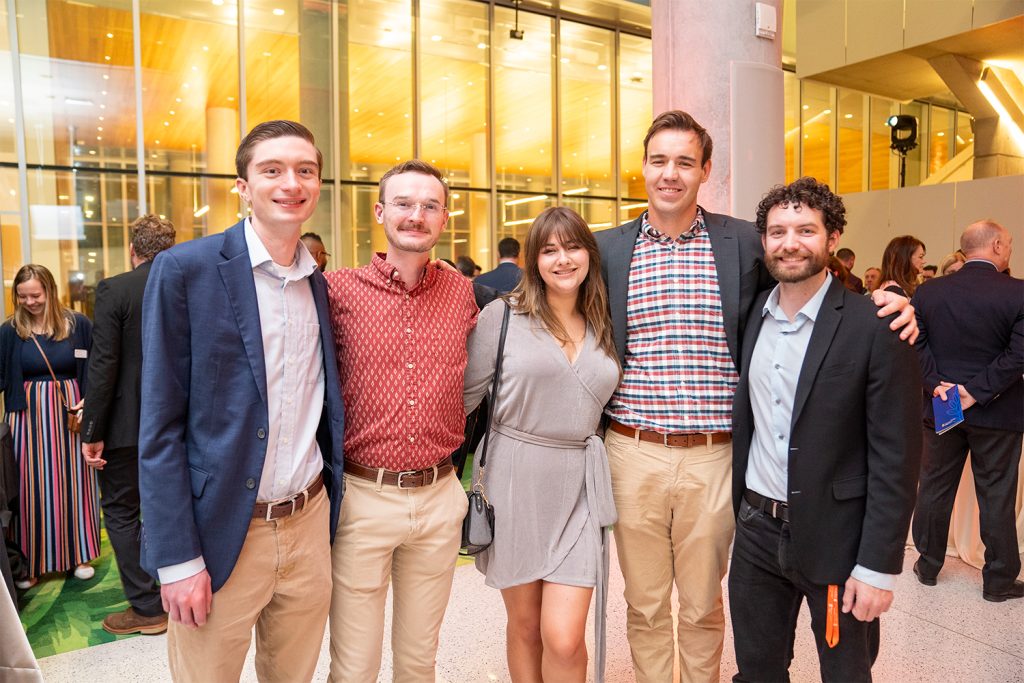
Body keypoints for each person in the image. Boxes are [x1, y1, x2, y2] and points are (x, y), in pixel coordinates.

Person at [594, 111, 917, 683]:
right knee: (643, 606)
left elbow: (809, 289)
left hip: (718, 456)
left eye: (685, 162)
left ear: (705, 171)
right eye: (659, 160)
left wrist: (894, 307)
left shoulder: (744, 241)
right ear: (642, 167)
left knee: (702, 606)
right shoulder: (607, 249)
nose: (670, 174)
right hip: (632, 450)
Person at [138, 120, 346, 681]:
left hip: (308, 524)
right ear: (243, 186)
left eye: (305, 170)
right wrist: (177, 559)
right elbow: (158, 426)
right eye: (272, 170)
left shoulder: (318, 284)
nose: (291, 182)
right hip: (220, 530)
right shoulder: (185, 270)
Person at [729, 177, 922, 682]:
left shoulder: (877, 325)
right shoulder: (752, 316)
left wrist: (878, 566)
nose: (789, 243)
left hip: (839, 538)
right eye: (777, 232)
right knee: (757, 669)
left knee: (845, 671)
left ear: (832, 237)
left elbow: (896, 458)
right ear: (764, 242)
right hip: (755, 531)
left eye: (805, 230)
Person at [326, 160, 477, 682]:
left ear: (444, 216)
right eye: (404, 204)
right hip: (364, 498)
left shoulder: (462, 294)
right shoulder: (338, 291)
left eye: (430, 205)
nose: (417, 215)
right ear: (380, 212)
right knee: (354, 665)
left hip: (438, 497)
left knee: (419, 660)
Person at [464, 207, 619, 682]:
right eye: (549, 250)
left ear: (589, 255)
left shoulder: (605, 320)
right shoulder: (503, 317)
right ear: (533, 260)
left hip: (581, 485)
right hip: (516, 479)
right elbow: (464, 401)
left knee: (565, 636)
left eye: (572, 247)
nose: (562, 259)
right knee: (527, 626)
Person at [910, 219, 1023, 602]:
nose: (1010, 249)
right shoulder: (1018, 293)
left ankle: (927, 565)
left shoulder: (928, 293)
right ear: (994, 246)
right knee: (996, 494)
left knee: (935, 486)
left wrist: (937, 384)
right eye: (1007, 243)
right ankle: (999, 580)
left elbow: (914, 345)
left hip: (943, 406)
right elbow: (1018, 356)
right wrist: (975, 392)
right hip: (998, 412)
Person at [81, 215, 175, 636]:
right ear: (171, 247)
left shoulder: (115, 288)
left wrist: (91, 431)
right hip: (180, 422)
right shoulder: (188, 283)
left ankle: (146, 606)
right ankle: (180, 592)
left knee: (121, 510)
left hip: (127, 427)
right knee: (172, 507)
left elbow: (104, 364)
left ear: (133, 250)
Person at [0, 264, 97, 590]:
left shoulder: (77, 324)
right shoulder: (9, 331)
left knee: (75, 483)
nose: (29, 302)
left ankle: (79, 555)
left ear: (50, 292)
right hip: (26, 419)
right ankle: (30, 564)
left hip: (70, 415)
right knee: (29, 489)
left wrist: (91, 404)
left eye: (36, 295)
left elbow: (96, 369)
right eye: (22, 296)